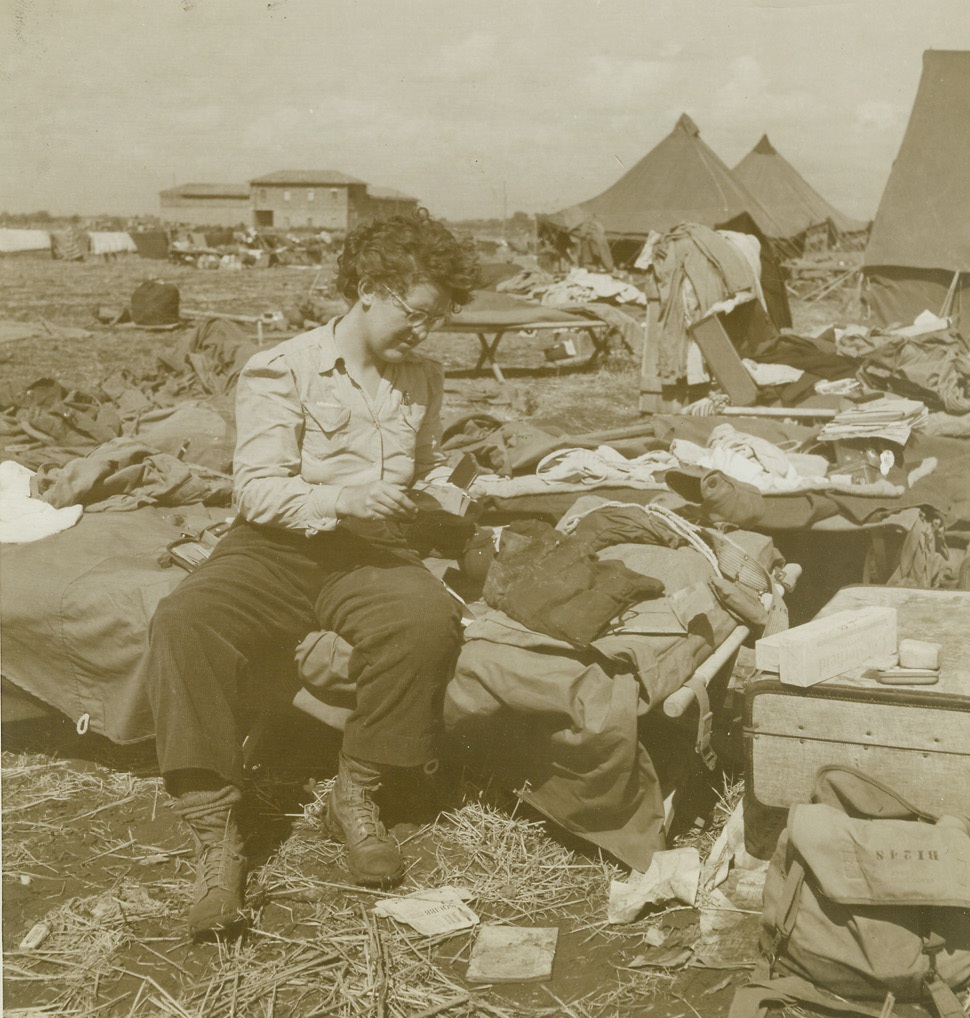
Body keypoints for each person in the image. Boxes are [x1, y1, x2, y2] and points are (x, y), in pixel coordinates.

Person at [143, 209, 480, 938]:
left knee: (426, 620)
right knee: (184, 621)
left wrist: (435, 495)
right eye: (417, 315)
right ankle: (216, 841)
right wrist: (345, 497)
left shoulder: (422, 377)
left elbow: (419, 471)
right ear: (371, 287)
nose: (423, 333)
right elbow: (256, 490)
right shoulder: (281, 367)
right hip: (274, 544)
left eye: (436, 321)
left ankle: (355, 794)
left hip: (368, 551)